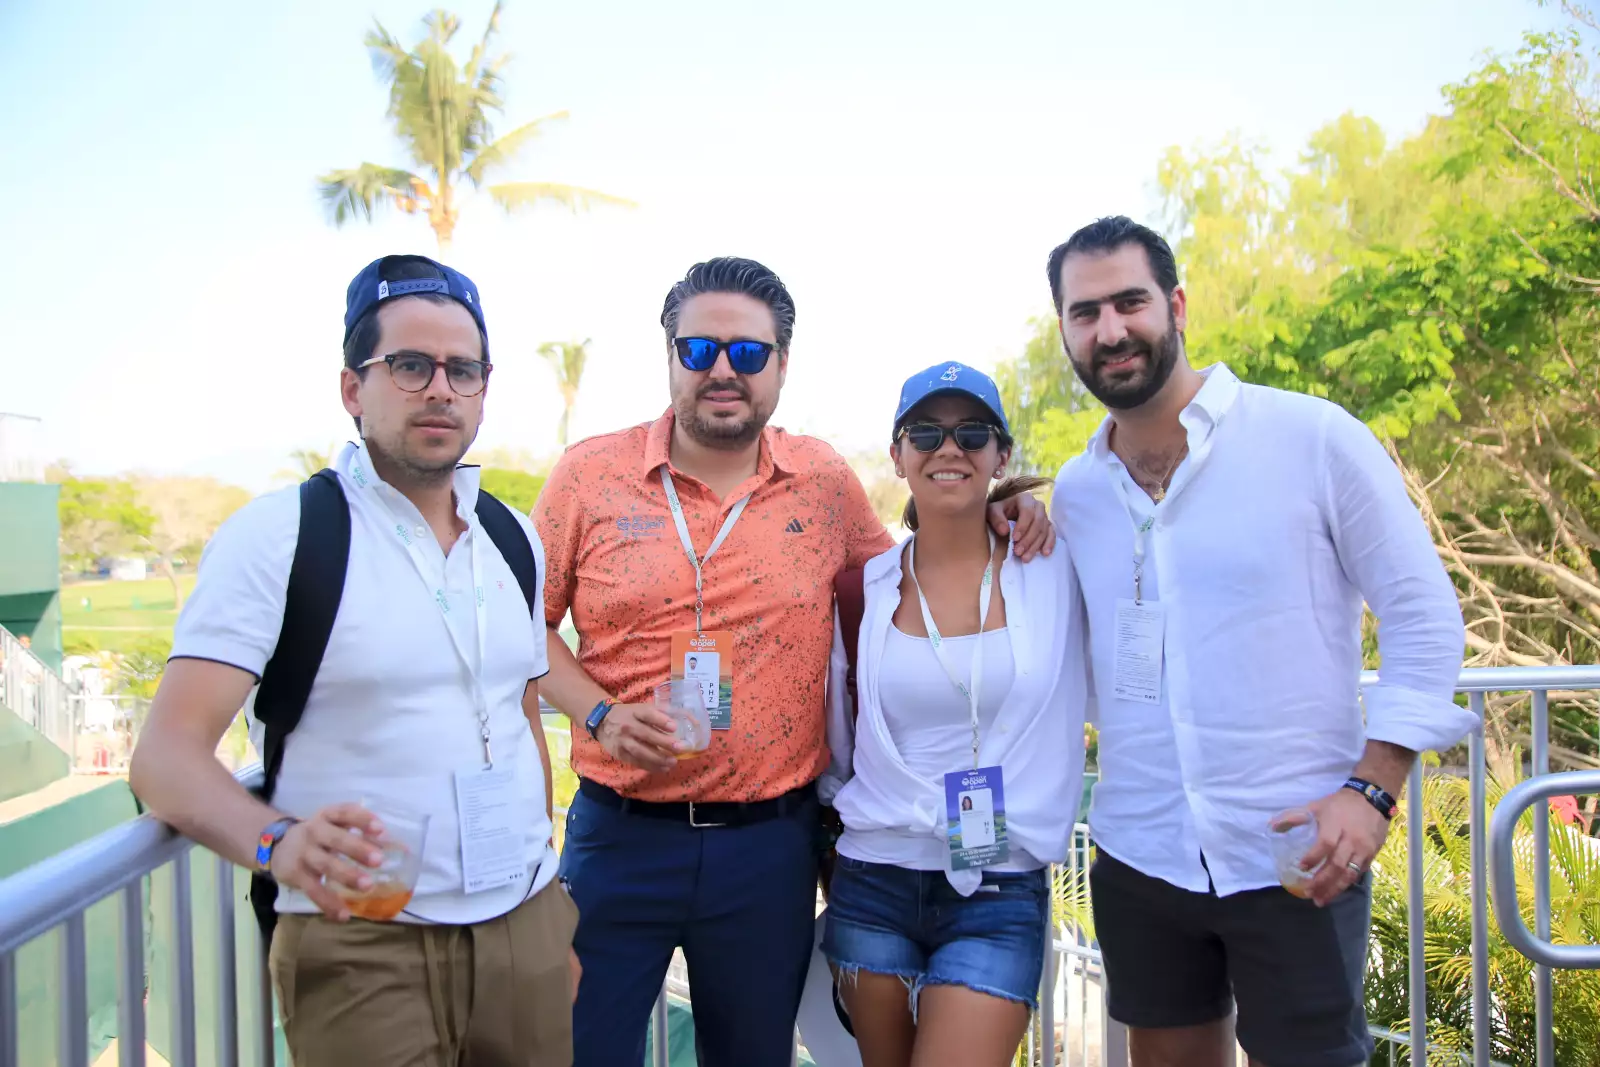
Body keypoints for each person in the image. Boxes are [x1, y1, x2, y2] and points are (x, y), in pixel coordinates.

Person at [533, 257, 1056, 1067]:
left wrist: (995, 508)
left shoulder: (822, 481)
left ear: (780, 366)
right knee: (581, 1053)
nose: (722, 370)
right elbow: (520, 626)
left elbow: (916, 569)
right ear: (670, 355)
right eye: (699, 349)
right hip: (620, 837)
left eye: (748, 352)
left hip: (767, 848)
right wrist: (597, 711)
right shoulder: (588, 475)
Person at [129, 254, 580, 1067]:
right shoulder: (281, 536)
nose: (440, 388)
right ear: (352, 388)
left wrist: (548, 909)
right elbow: (164, 756)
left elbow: (517, 714)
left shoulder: (512, 537)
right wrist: (275, 842)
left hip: (524, 928)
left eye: (463, 369)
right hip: (361, 937)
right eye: (410, 365)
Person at [1046, 217, 1474, 1067]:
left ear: (1176, 306)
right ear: (1065, 331)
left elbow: (1423, 614)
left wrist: (1374, 789)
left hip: (1296, 849)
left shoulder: (1311, 437)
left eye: (1130, 302)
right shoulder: (1075, 492)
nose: (1111, 330)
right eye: (1085, 312)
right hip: (1140, 851)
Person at [819, 362, 1089, 1067]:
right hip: (875, 877)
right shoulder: (863, 590)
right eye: (926, 433)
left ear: (1001, 455)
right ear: (898, 454)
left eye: (972, 433)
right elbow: (840, 745)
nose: (949, 448)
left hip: (999, 883)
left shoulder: (1054, 570)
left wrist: (1027, 510)